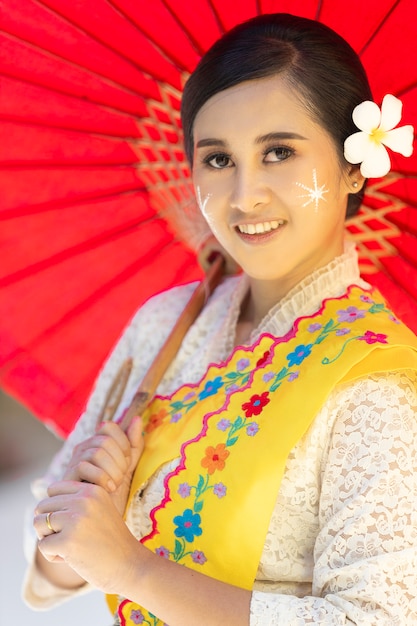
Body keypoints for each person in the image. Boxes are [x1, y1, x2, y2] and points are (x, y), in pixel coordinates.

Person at [24, 13, 417, 625]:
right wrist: (80, 507)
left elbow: (375, 619)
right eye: (216, 160)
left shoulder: (373, 385)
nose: (244, 195)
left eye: (279, 152)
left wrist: (134, 569)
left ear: (351, 166)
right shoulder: (165, 325)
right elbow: (53, 564)